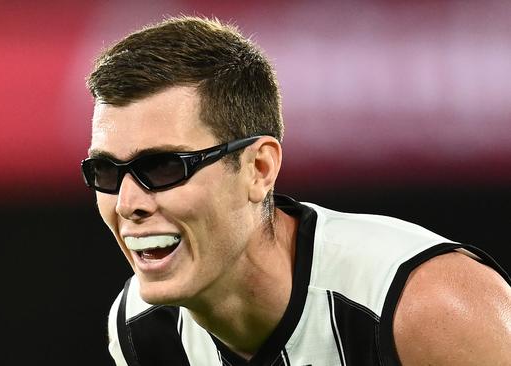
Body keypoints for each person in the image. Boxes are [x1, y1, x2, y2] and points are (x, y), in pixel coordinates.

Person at [80, 16, 511, 366]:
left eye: (163, 167)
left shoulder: (432, 307)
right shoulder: (141, 330)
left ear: (258, 169)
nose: (128, 203)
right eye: (106, 171)